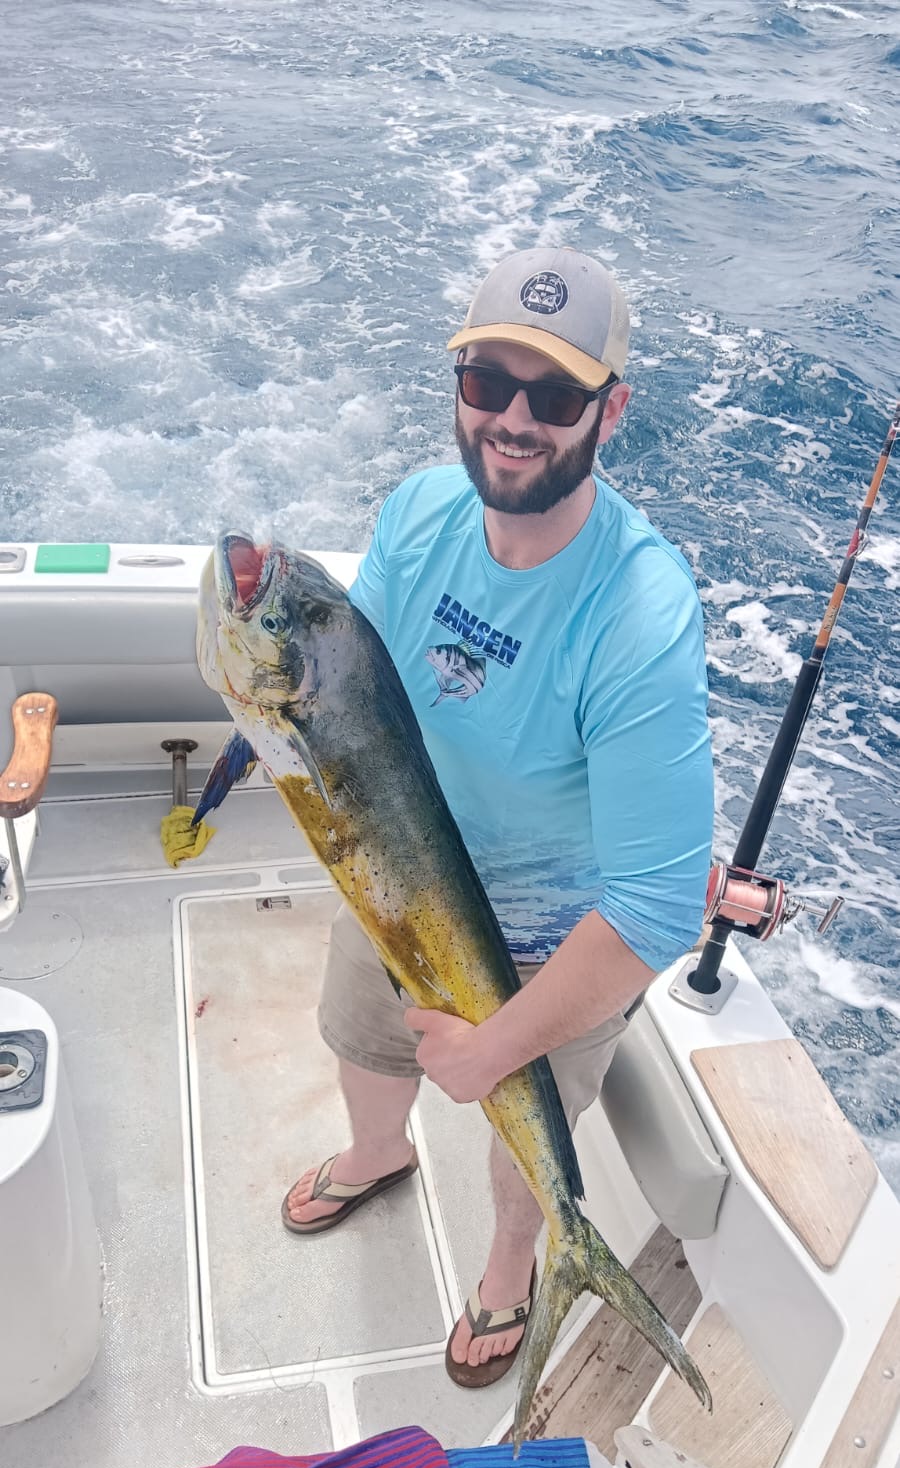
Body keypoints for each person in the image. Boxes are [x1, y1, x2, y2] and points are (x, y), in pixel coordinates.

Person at [282, 245, 714, 1389]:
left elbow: (657, 907)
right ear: (459, 386)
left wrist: (495, 1046)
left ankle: (521, 1265)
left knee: (528, 1149)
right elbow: (351, 695)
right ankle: (378, 1152)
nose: (515, 420)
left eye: (556, 396)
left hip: (556, 951)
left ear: (610, 411)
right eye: (489, 382)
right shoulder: (421, 512)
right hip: (400, 893)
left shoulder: (640, 616)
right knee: (361, 1040)